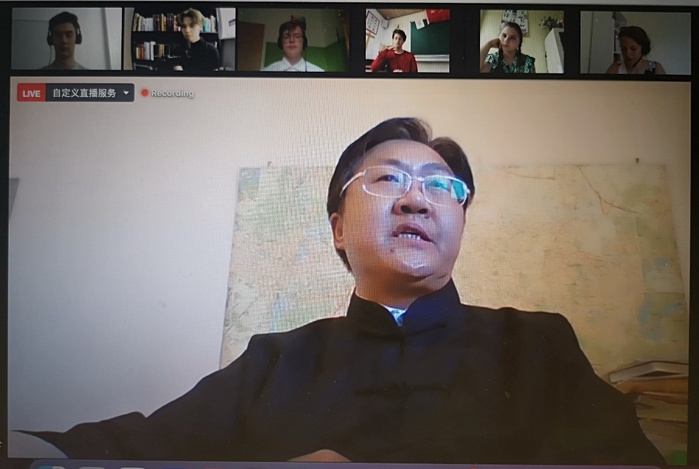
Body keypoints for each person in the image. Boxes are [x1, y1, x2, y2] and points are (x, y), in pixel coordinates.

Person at [23, 118, 665, 465]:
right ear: (338, 227)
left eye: (441, 186)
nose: (417, 199)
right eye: (388, 179)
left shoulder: (538, 344)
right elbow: (136, 447)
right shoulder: (274, 360)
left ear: (460, 223)